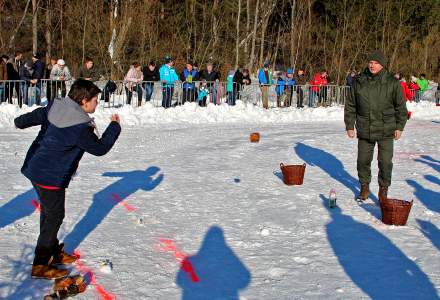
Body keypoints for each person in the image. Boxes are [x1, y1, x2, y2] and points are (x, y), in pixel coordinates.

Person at [15, 79, 121, 279]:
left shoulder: (57, 105)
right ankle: (40, 263)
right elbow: (99, 149)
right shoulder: (79, 127)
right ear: (84, 100)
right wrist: (114, 127)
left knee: (49, 213)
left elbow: (36, 115)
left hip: (34, 168)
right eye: (95, 99)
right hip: (50, 177)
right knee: (54, 216)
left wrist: (19, 122)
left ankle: (53, 252)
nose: (97, 103)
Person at [344, 50, 407, 201]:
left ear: (382, 65)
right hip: (365, 128)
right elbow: (351, 105)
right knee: (362, 161)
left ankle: (383, 189)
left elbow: (401, 108)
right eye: (370, 62)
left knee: (385, 162)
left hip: (386, 129)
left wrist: (399, 127)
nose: (372, 65)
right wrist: (349, 125)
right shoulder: (359, 81)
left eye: (376, 63)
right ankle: (364, 187)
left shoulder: (392, 83)